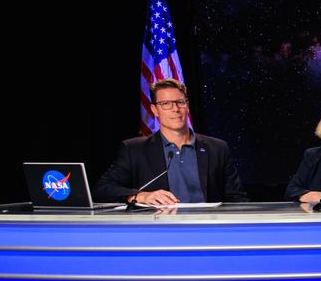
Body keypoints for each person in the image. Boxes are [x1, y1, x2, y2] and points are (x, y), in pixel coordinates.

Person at [95, 79, 248, 204]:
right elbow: (103, 189)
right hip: (159, 232)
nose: (175, 109)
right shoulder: (134, 149)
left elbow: (238, 199)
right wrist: (141, 196)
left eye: (180, 102)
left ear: (187, 106)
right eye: (166, 104)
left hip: (206, 230)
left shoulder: (217, 148)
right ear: (155, 110)